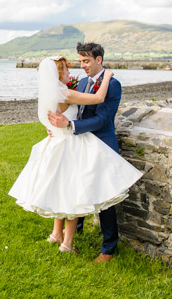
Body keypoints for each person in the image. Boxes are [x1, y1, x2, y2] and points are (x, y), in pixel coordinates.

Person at [9, 54, 142, 256]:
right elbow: (98, 98)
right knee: (72, 193)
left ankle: (56, 234)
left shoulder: (48, 93)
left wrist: (55, 127)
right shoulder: (64, 92)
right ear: (58, 73)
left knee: (60, 189)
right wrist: (107, 76)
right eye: (67, 69)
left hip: (57, 143)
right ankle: (67, 244)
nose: (71, 72)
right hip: (70, 145)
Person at [47, 42, 130, 263]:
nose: (82, 65)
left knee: (105, 198)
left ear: (98, 60)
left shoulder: (112, 85)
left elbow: (103, 119)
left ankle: (108, 249)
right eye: (81, 61)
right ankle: (76, 230)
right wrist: (58, 125)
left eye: (86, 61)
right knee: (79, 187)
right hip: (80, 145)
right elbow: (75, 111)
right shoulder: (83, 82)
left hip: (102, 144)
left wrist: (70, 126)